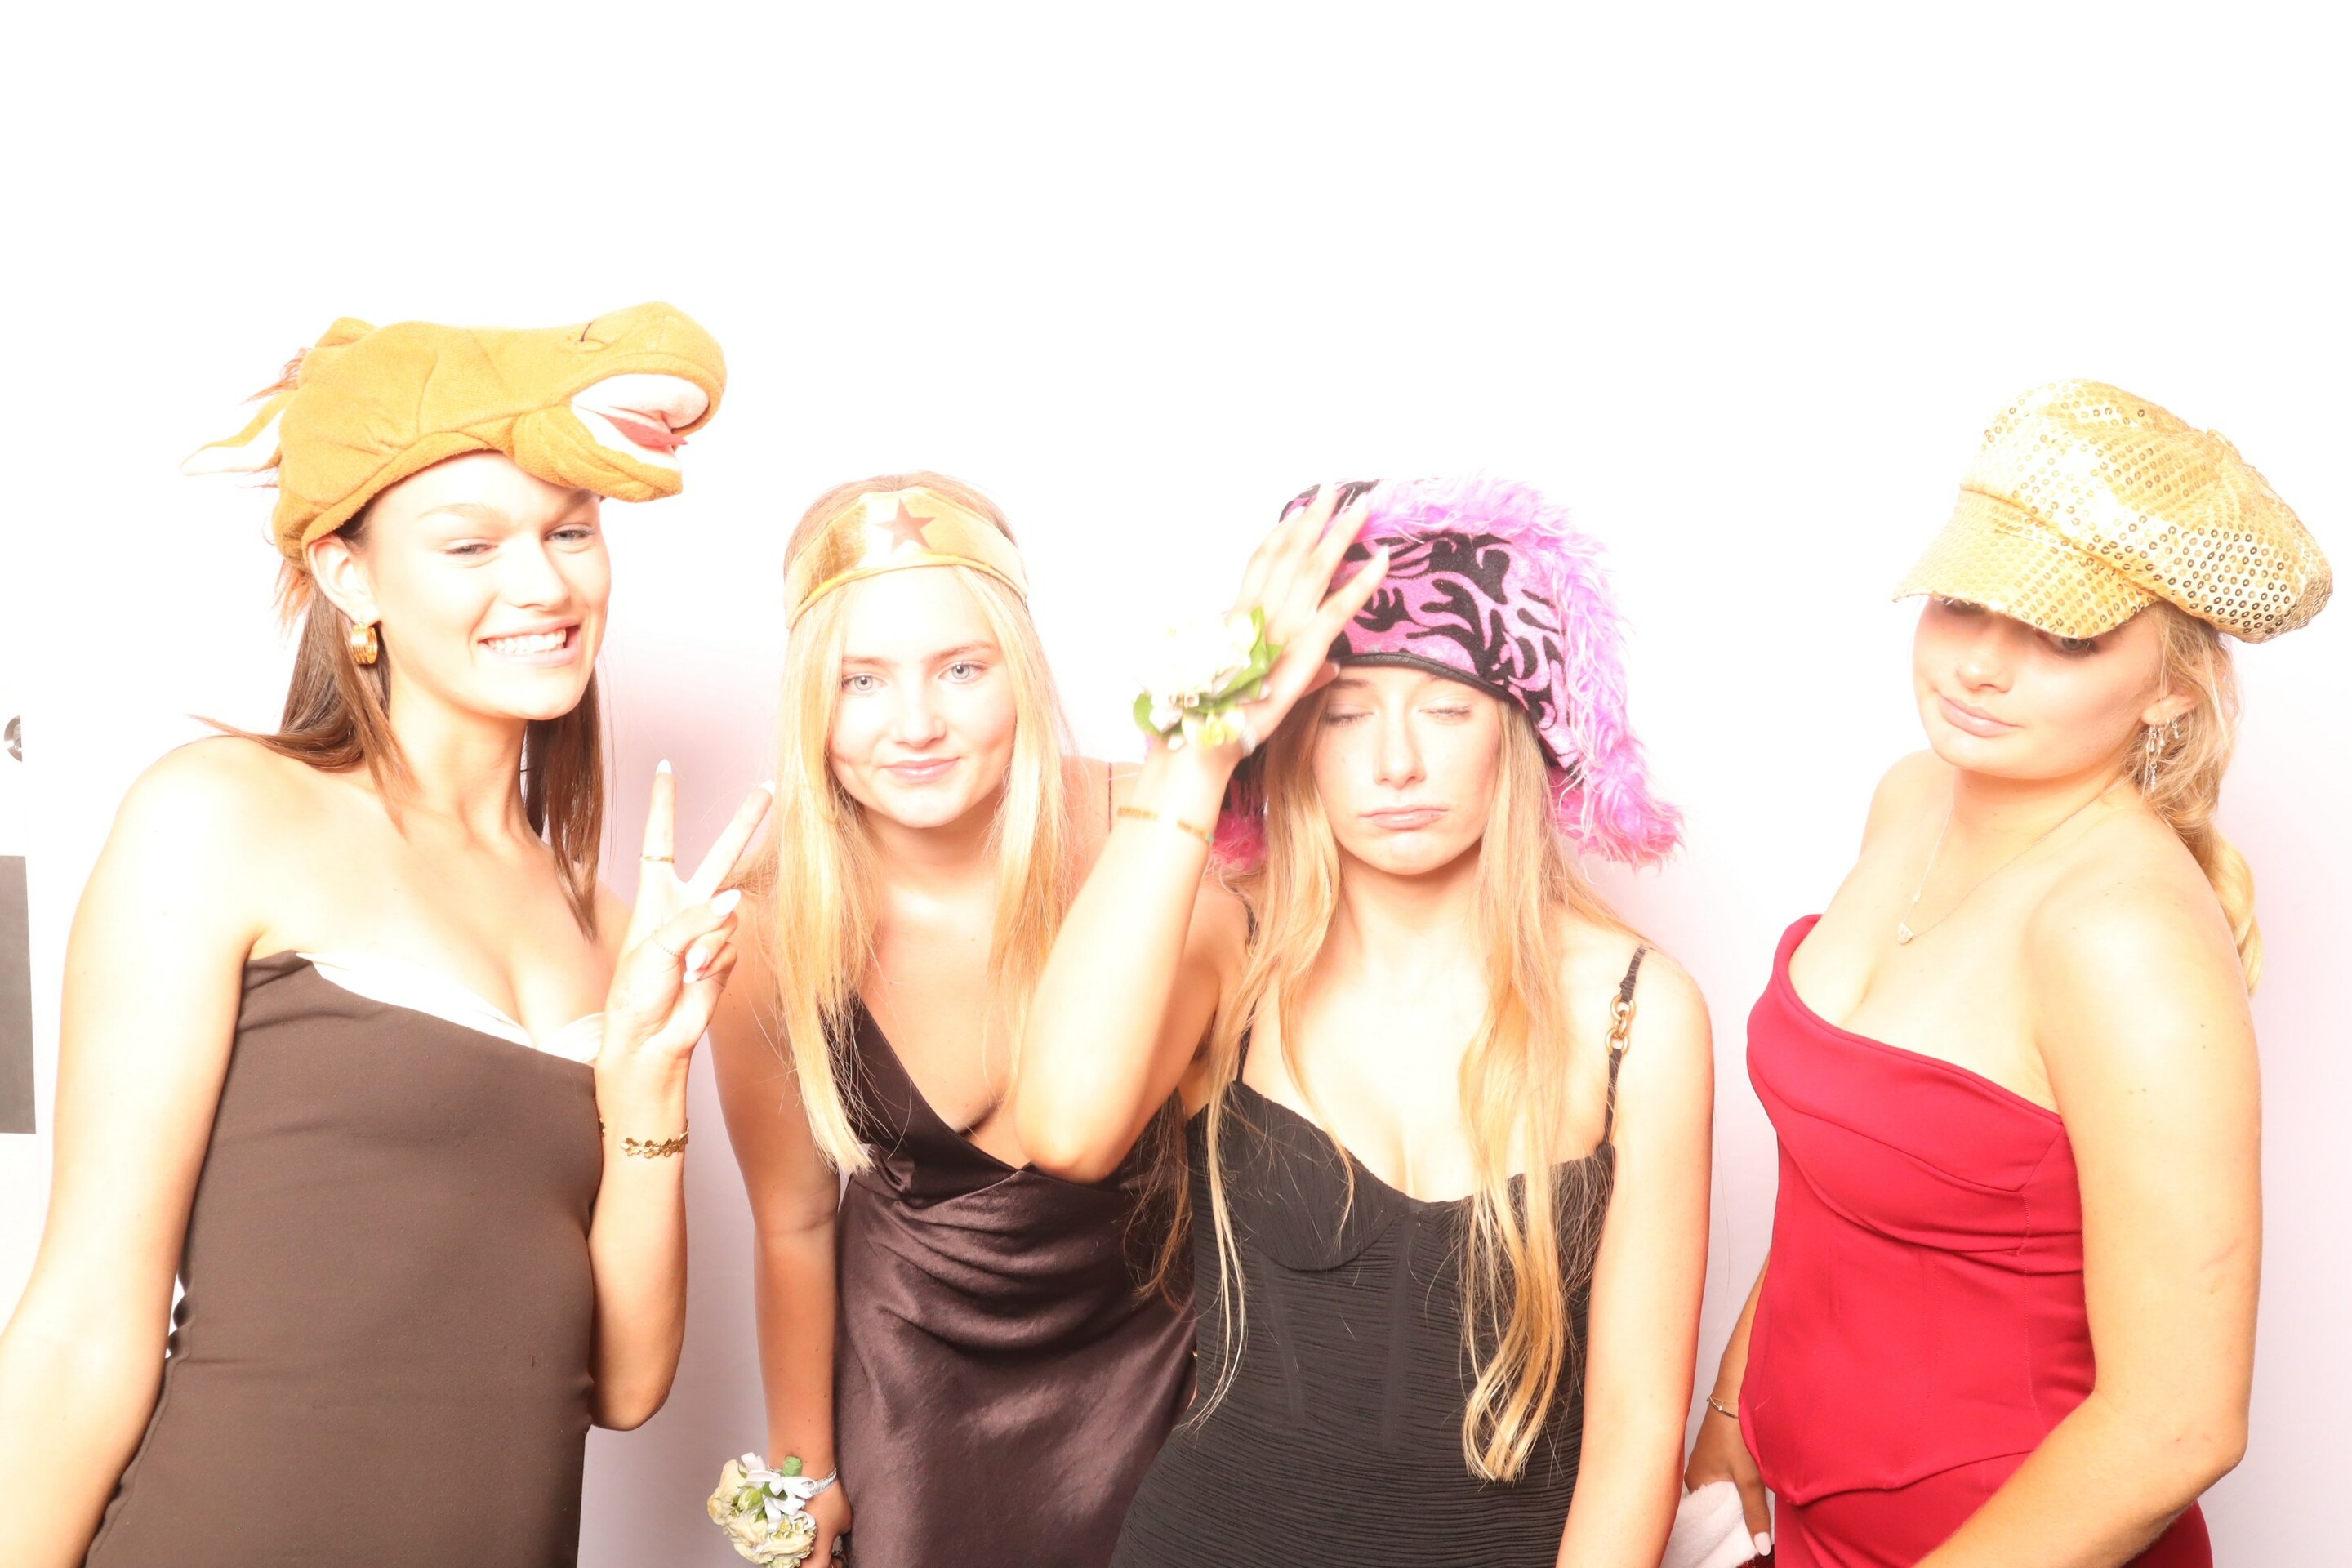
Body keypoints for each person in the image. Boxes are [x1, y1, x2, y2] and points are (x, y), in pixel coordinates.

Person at [0, 305, 771, 1568]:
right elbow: (84, 1324)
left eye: (571, 532)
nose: (544, 584)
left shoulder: (613, 934)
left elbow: (625, 1385)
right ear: (349, 574)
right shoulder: (221, 818)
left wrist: (646, 1077)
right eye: (470, 543)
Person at [1683, 381, 2333, 1567]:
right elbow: (1838, 1175)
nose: (1980, 666)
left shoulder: (2125, 938)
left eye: (2063, 634)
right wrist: (1733, 1409)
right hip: (1797, 1509)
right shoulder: (1911, 796)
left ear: (2172, 686)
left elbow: (2178, 1426)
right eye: (1964, 603)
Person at [1014, 477, 1713, 1566]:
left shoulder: (1636, 1011)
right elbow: (1061, 1130)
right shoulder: (1231, 952)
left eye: (1445, 710)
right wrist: (1201, 747)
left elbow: (1636, 1434)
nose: (1396, 763)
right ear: (1294, 738)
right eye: (1344, 714)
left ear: (1517, 731)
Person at [709, 474, 1192, 1568]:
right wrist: (804, 1477)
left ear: (1021, 670)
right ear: (810, 702)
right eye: (860, 681)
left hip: (1166, 1373)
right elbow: (792, 1222)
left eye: (961, 670)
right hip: (915, 1407)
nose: (916, 725)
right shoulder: (770, 930)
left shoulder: (1157, 829)